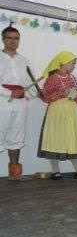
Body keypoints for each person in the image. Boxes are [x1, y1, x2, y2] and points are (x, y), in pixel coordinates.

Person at [38, 51, 77, 179]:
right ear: (63, 63)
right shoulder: (52, 78)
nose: (74, 66)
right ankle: (55, 171)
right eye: (72, 64)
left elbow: (75, 97)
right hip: (57, 111)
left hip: (70, 111)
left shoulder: (72, 78)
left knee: (71, 138)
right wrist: (63, 93)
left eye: (74, 64)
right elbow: (46, 97)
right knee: (55, 138)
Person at [0, 26, 35, 181]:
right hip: (2, 101)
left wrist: (38, 94)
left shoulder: (24, 61)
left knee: (17, 134)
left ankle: (15, 173)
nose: (13, 41)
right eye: (9, 38)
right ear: (3, 39)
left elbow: (30, 83)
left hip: (20, 103)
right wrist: (8, 93)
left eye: (16, 38)